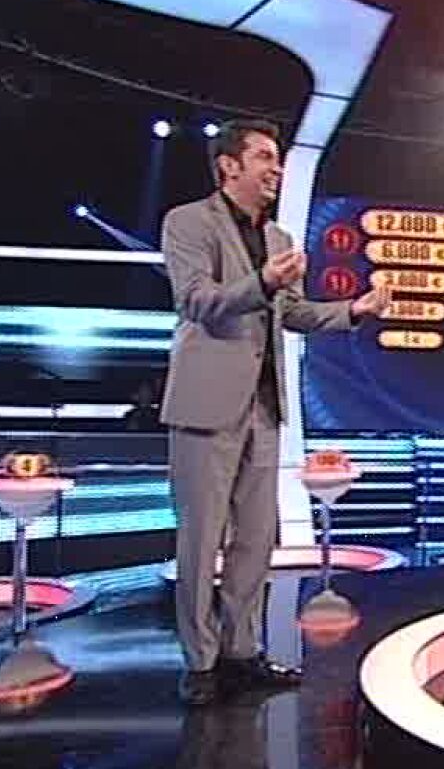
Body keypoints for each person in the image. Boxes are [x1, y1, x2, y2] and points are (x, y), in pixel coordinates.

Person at [161, 118, 392, 705]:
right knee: (201, 541)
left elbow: (294, 314)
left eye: (278, 157)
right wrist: (262, 279)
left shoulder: (279, 237)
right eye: (265, 156)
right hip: (206, 406)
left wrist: (356, 309)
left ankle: (242, 651)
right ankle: (200, 663)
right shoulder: (188, 222)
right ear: (229, 165)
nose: (277, 168)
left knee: (257, 540)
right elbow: (197, 302)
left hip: (264, 410)